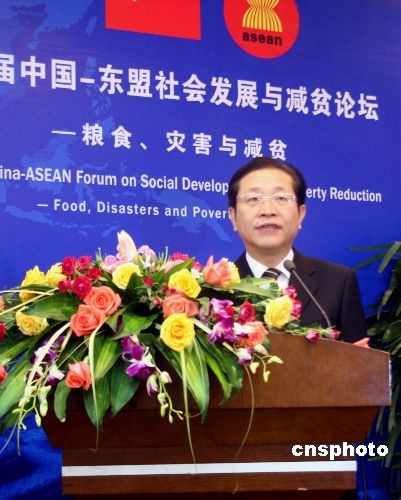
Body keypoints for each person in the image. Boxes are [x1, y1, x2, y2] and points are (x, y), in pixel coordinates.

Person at [228, 156, 369, 345]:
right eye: (253, 199)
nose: (268, 210)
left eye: (281, 198)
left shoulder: (338, 282)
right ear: (233, 217)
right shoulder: (212, 292)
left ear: (301, 214)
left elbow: (360, 358)